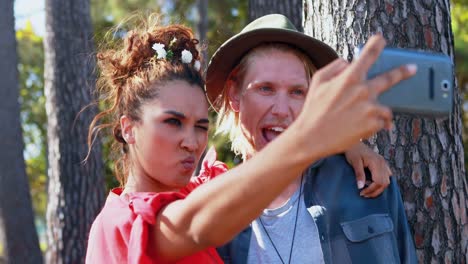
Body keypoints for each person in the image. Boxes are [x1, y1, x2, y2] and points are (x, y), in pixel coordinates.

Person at [84, 14, 414, 263]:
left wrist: (346, 144)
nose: (191, 141)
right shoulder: (121, 223)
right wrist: (313, 136)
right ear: (128, 128)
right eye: (172, 122)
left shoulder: (209, 186)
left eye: (201, 126)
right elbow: (199, 223)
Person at [207, 14, 418, 263]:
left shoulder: (364, 181)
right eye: (266, 88)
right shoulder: (214, 211)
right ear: (234, 94)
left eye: (297, 92)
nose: (282, 110)